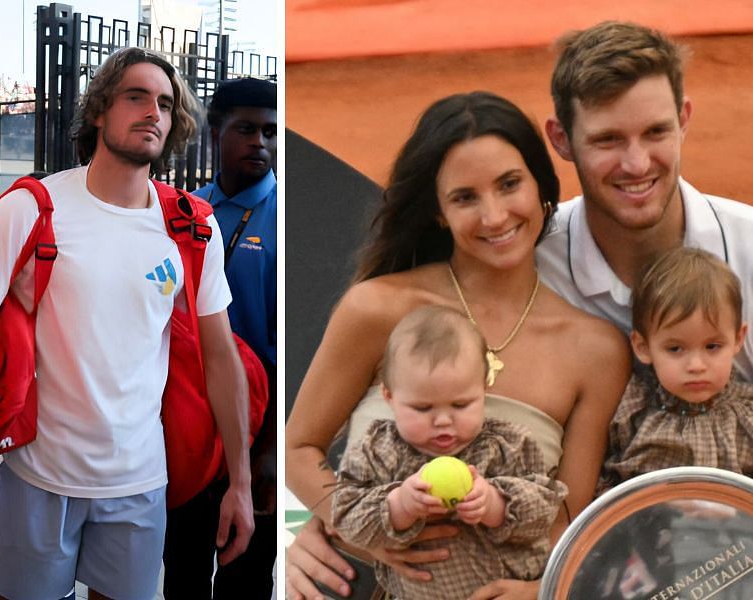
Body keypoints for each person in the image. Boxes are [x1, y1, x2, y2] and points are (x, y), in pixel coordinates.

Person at [536, 21, 753, 597]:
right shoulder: (527, 267)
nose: (637, 162)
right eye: (607, 140)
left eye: (656, 131)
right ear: (561, 138)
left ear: (685, 119)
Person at [0, 47, 255, 600]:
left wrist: (242, 483)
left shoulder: (190, 226)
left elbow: (221, 356)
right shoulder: (32, 208)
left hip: (140, 483)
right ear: (100, 111)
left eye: (164, 102)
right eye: (136, 96)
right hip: (38, 477)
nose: (152, 111)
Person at [284, 91, 630, 600]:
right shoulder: (376, 308)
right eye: (465, 197)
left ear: (542, 189)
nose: (494, 217)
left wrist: (540, 593)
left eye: (510, 185)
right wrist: (362, 531)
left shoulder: (597, 350)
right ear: (439, 212)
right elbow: (297, 448)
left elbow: (568, 515)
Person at [333, 305, 567, 599]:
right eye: (422, 408)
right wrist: (400, 505)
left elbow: (547, 510)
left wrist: (494, 504)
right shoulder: (376, 450)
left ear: (484, 390)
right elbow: (347, 519)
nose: (443, 421)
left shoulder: (508, 444)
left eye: (460, 405)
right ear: (389, 397)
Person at [165, 76, 278, 600]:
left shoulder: (285, 219)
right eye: (247, 129)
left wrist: (267, 452)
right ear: (216, 133)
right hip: (187, 437)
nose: (261, 142)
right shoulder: (184, 213)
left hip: (255, 441)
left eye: (272, 132)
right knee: (182, 576)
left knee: (246, 580)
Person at [600, 247, 753, 521]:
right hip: (649, 550)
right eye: (675, 349)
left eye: (712, 346)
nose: (696, 365)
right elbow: (604, 492)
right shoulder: (629, 411)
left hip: (745, 552)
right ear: (643, 347)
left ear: (738, 338)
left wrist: (735, 512)